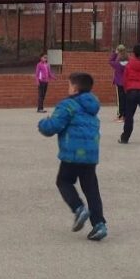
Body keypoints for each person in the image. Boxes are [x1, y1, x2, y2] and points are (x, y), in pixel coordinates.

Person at [38, 72, 108, 241]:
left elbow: (53, 126)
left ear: (75, 88)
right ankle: (99, 224)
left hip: (72, 153)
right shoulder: (92, 106)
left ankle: (78, 208)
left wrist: (43, 124)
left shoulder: (68, 105)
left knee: (63, 181)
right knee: (91, 188)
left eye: (69, 85)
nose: (68, 88)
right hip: (90, 154)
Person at [109, 45, 130, 123]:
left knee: (120, 100)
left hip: (119, 83)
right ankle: (126, 116)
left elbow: (110, 61)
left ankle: (120, 116)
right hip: (127, 83)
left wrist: (115, 53)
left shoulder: (117, 64)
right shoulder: (129, 63)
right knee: (126, 99)